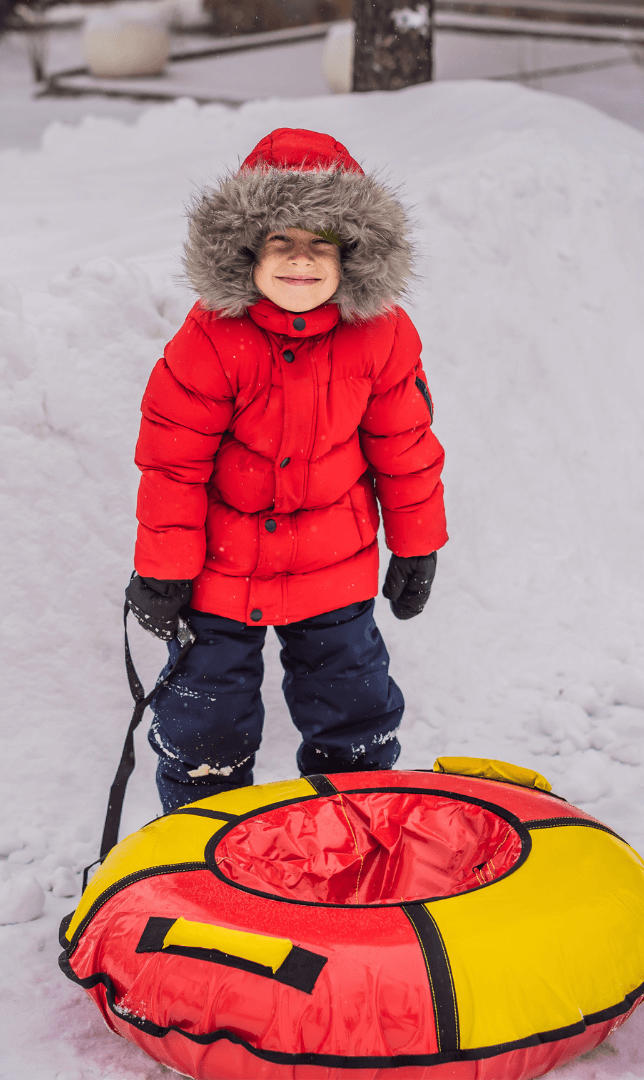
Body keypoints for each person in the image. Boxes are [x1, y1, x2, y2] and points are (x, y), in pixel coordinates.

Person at [127, 127, 447, 813]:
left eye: (320, 245)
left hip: (334, 570)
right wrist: (164, 566)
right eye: (281, 243)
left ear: (351, 255)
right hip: (218, 575)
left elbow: (406, 443)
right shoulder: (212, 337)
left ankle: (355, 835)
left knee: (353, 721)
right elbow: (172, 462)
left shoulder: (381, 335)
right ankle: (197, 847)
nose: (300, 263)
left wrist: (418, 545)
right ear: (246, 250)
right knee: (204, 728)